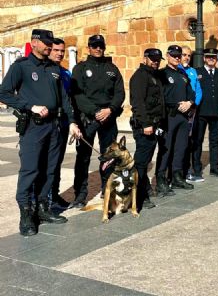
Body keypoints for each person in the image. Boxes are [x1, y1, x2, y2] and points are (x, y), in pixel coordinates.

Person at [0, 29, 82, 236]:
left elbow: (64, 98)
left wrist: (71, 122)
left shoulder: (53, 69)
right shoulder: (22, 67)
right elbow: (4, 92)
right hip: (34, 126)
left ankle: (44, 207)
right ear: (34, 43)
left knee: (50, 169)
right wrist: (30, 106)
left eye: (50, 42)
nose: (48, 46)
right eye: (45, 43)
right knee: (30, 170)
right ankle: (26, 213)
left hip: (55, 126)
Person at [69, 34, 125, 208]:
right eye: (94, 46)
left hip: (108, 118)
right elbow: (77, 94)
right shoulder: (80, 68)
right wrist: (95, 111)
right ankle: (80, 194)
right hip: (88, 119)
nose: (98, 49)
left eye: (100, 45)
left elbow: (120, 93)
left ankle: (107, 188)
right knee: (83, 158)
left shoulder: (112, 68)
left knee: (109, 157)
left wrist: (110, 109)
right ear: (89, 48)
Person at [130, 48, 165, 207]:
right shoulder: (140, 76)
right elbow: (137, 103)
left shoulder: (154, 75)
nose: (155, 61)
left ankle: (145, 189)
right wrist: (145, 124)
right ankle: (138, 197)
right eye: (152, 59)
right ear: (145, 58)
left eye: (158, 59)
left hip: (154, 125)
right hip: (145, 127)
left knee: (145, 160)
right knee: (141, 164)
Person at [156, 45, 195, 191]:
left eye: (179, 55)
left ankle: (177, 177)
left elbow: (191, 93)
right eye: (174, 55)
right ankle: (161, 179)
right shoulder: (161, 74)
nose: (177, 58)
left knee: (181, 148)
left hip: (183, 117)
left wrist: (189, 102)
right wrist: (177, 104)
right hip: (169, 116)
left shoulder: (183, 74)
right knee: (166, 149)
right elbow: (159, 97)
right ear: (168, 56)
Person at [194, 48, 218, 177]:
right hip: (201, 113)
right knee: (198, 141)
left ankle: (214, 167)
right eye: (208, 56)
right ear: (204, 58)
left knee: (214, 141)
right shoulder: (197, 72)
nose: (211, 59)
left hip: (217, 113)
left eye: (213, 57)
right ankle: (196, 168)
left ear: (216, 59)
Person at [49, 38, 72, 209]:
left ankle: (53, 195)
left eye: (62, 50)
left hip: (62, 124)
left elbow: (70, 99)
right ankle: (40, 200)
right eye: (56, 50)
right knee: (43, 164)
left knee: (56, 162)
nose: (59, 53)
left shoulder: (66, 74)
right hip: (45, 124)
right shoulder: (41, 71)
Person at [178, 46, 203, 182]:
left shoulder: (193, 71)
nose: (186, 57)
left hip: (192, 111)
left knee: (190, 141)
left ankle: (188, 170)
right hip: (179, 111)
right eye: (184, 55)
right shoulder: (176, 70)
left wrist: (193, 104)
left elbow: (199, 91)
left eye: (188, 55)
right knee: (179, 143)